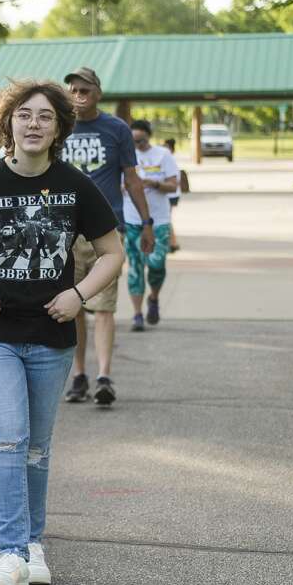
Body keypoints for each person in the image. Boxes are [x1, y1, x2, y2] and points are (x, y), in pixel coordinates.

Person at [0, 79, 123, 585]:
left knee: (36, 447)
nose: (33, 124)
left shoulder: (76, 184)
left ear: (59, 127)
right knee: (9, 437)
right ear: (8, 124)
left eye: (44, 116)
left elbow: (112, 252)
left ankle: (33, 545)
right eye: (24, 115)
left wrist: (78, 295)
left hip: (50, 335)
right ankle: (11, 555)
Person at [60, 67, 153, 407]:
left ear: (98, 92)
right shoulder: (58, 126)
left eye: (85, 89)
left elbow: (131, 178)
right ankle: (79, 374)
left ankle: (104, 376)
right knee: (73, 309)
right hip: (65, 233)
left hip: (104, 231)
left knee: (103, 307)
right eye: (72, 89)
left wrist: (147, 222)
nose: (78, 94)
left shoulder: (116, 129)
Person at [125, 121, 179, 330]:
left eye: (141, 140)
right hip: (132, 219)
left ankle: (154, 298)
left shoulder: (163, 155)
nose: (137, 144)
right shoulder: (126, 157)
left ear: (149, 136)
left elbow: (174, 185)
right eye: (133, 140)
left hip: (159, 220)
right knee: (135, 267)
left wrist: (154, 183)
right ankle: (137, 314)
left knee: (157, 265)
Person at [163, 137, 184, 253]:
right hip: (172, 194)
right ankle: (172, 242)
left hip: (170, 195)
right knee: (167, 218)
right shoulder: (170, 158)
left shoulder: (168, 159)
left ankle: (172, 242)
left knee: (166, 219)